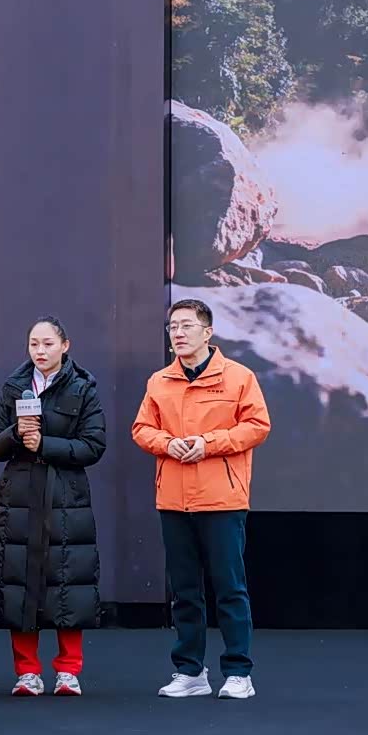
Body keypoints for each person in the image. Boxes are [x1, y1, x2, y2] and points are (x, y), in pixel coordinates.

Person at [131, 298, 270, 700]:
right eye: (173, 326)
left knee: (229, 588)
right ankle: (190, 671)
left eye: (186, 326)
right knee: (185, 591)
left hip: (222, 498)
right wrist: (167, 443)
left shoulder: (239, 377)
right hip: (174, 500)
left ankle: (239, 672)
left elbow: (257, 425)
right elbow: (141, 429)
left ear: (207, 332)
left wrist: (208, 443)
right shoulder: (159, 381)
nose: (178, 333)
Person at [0, 316, 107, 697]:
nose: (40, 351)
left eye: (48, 344)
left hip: (66, 496)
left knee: (69, 581)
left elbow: (93, 446)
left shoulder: (83, 388)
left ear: (65, 346)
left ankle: (68, 672)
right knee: (19, 582)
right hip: (18, 496)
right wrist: (17, 434)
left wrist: (45, 445)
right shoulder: (14, 385)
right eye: (34, 344)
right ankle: (27, 672)